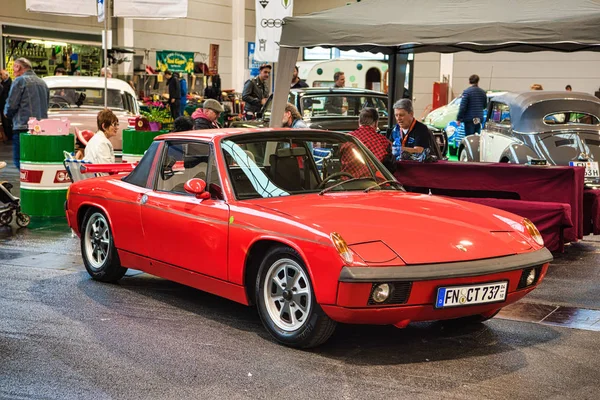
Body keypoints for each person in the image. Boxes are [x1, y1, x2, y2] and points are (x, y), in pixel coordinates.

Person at [4, 58, 49, 169]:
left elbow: (12, 104)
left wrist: (6, 114)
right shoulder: (42, 82)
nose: (13, 72)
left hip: (23, 127)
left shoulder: (20, 81)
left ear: (18, 67)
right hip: (40, 128)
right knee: (35, 161)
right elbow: (47, 105)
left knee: (21, 161)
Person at [0, 69, 12, 141]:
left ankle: (9, 136)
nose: (0, 76)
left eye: (1, 75)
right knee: (4, 123)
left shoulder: (10, 84)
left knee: (7, 122)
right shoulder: (2, 83)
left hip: (6, 105)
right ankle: (7, 136)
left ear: (6, 75)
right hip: (2, 105)